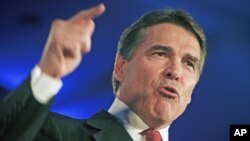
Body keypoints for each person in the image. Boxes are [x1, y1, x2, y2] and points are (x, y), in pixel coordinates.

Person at [0, 3, 206, 141]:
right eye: (160, 53)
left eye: (189, 63)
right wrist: (48, 71)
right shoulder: (56, 133)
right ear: (121, 67)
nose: (175, 71)